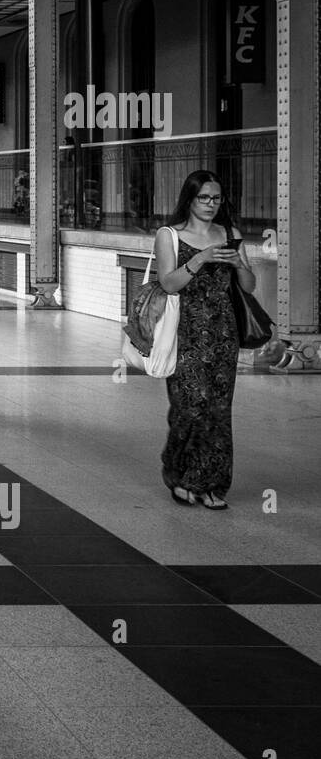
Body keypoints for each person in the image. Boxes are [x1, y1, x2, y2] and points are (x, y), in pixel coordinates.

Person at [153, 171, 255, 509]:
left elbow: (250, 287)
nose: (211, 204)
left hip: (223, 333)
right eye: (204, 198)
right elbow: (168, 284)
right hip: (185, 332)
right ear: (190, 199)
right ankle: (178, 470)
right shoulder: (169, 235)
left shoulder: (230, 234)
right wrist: (199, 259)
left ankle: (212, 483)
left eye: (216, 198)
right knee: (190, 407)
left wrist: (240, 264)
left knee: (218, 410)